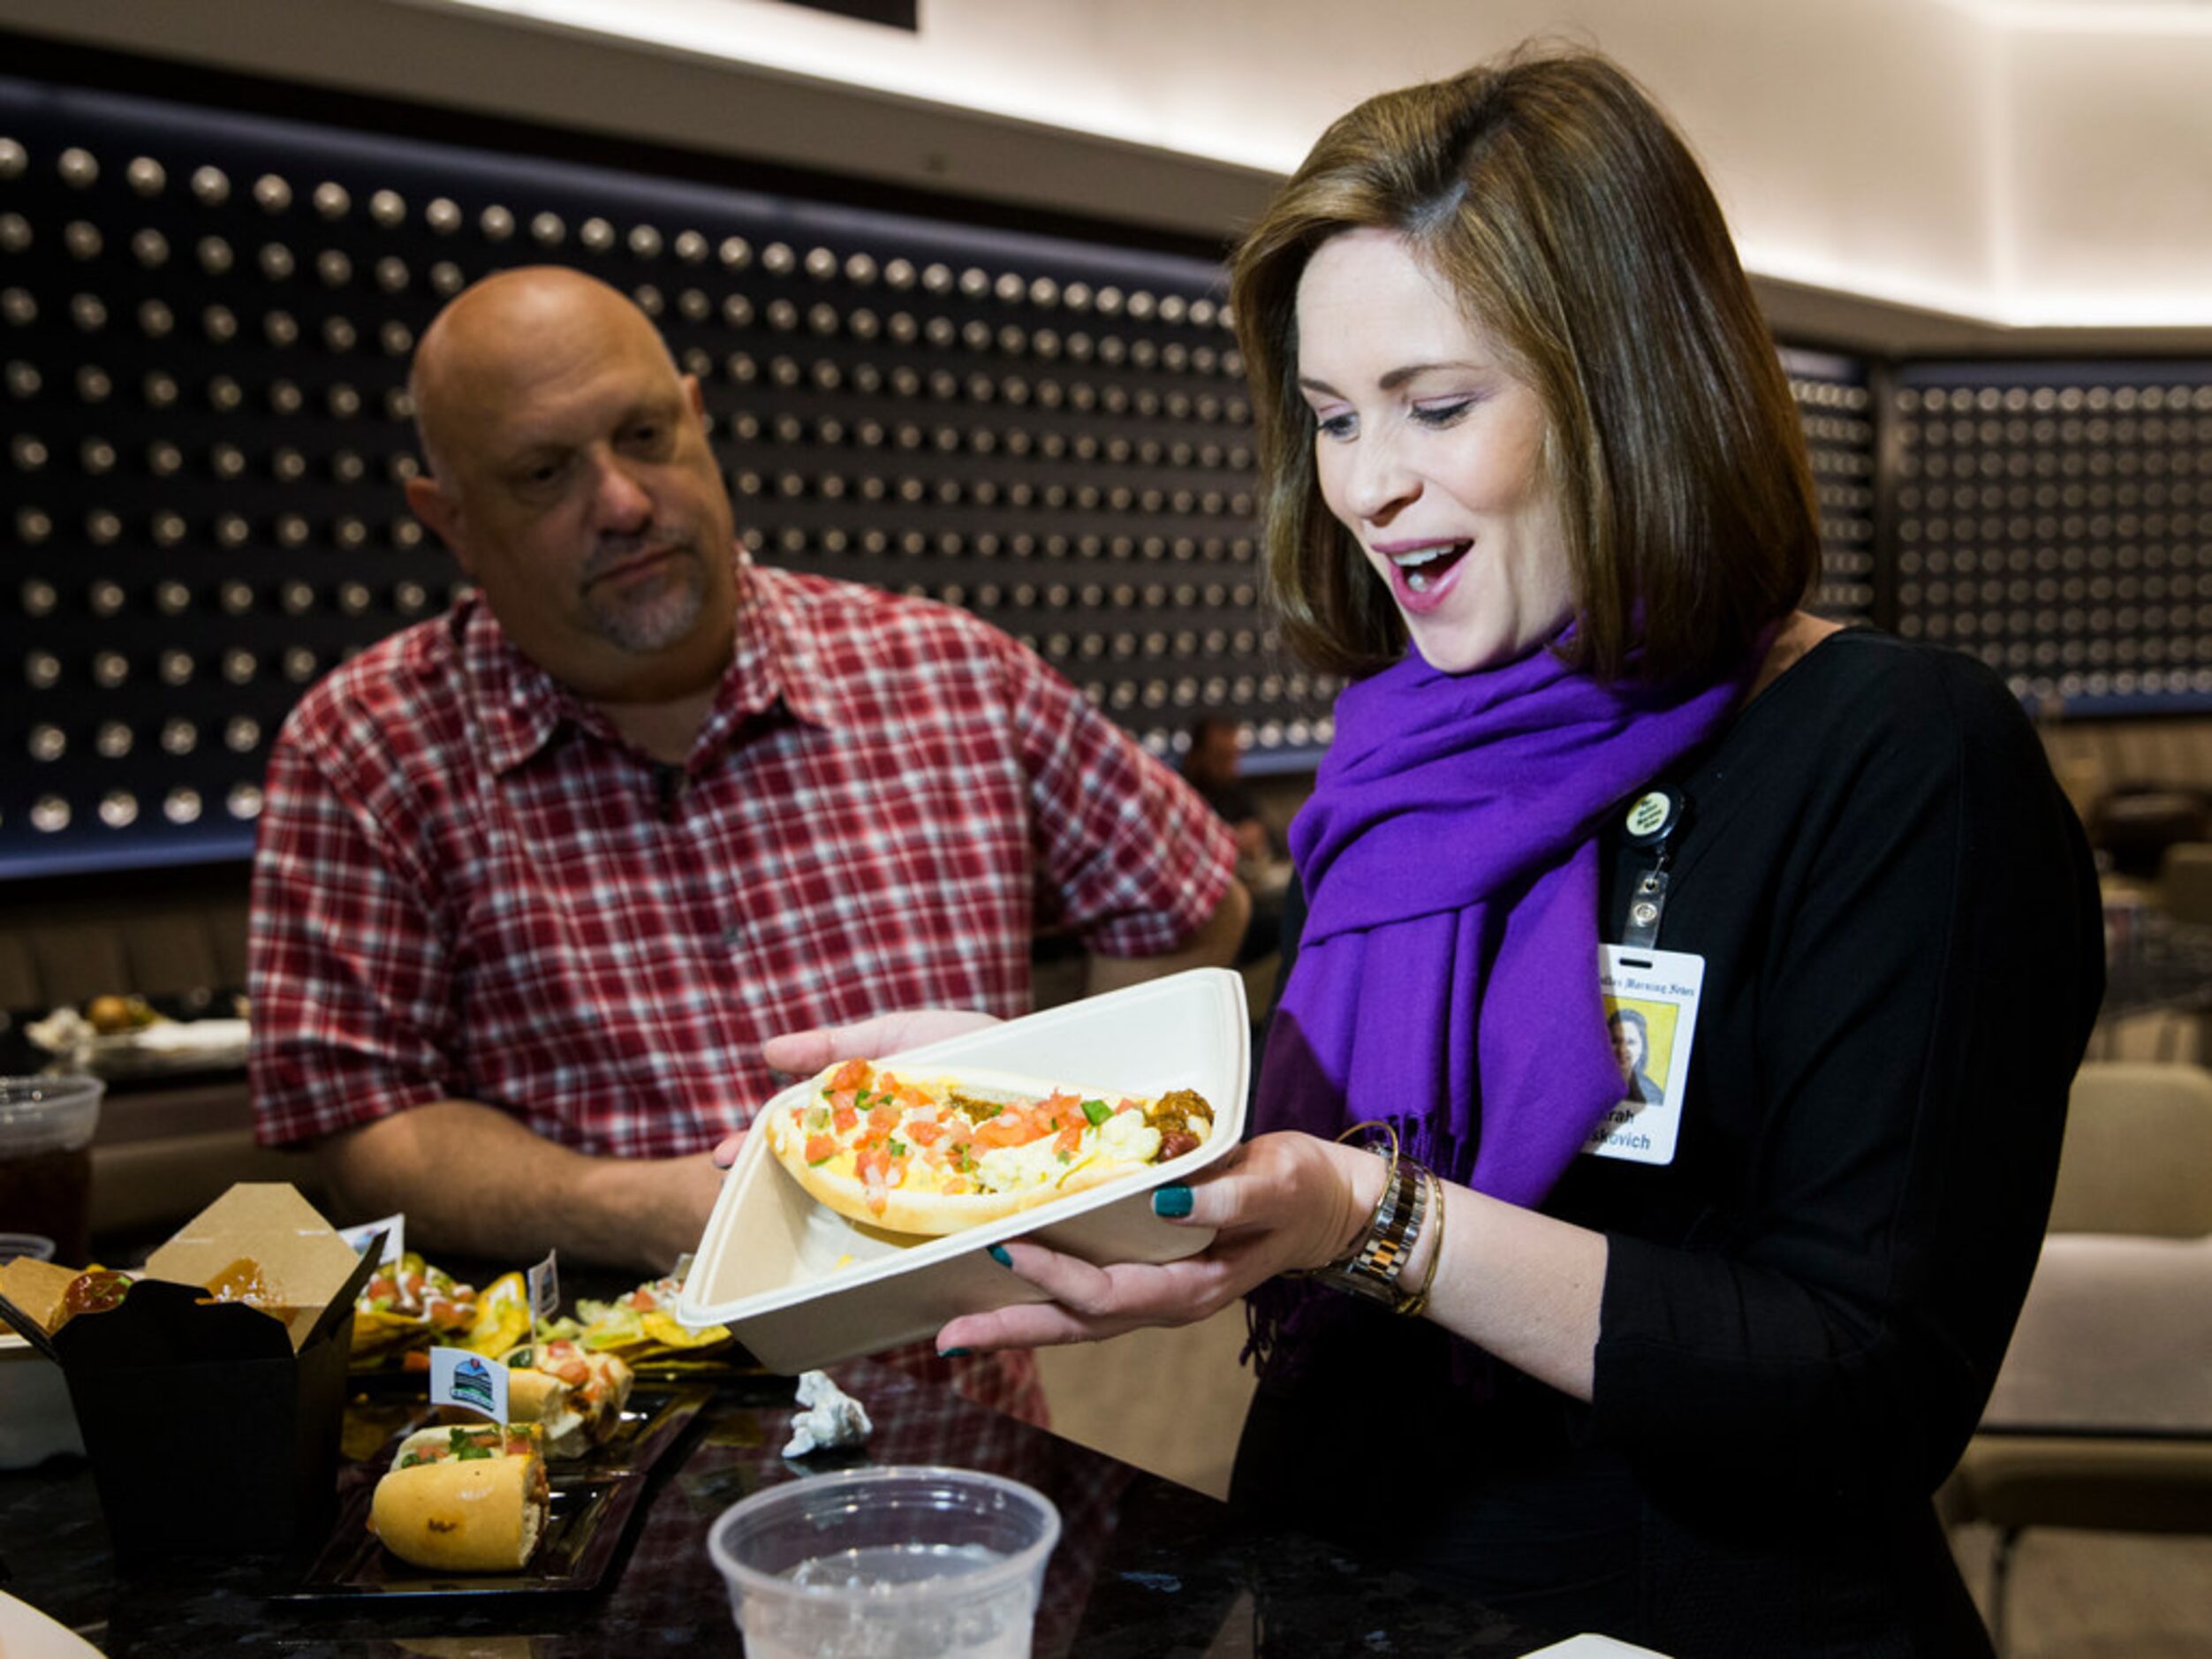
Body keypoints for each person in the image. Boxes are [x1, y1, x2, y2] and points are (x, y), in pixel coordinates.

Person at [897, 49, 2102, 1653]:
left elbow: (1857, 1384)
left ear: (1627, 386)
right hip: (1349, 1583)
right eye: (1329, 418)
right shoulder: (1401, 750)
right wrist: (1015, 1108)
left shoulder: (1896, 754)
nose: (1368, 486)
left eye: (1435, 405)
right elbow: (1289, 1121)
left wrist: (1366, 1219)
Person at [248, 267, 1246, 1420]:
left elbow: (1185, 899)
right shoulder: (363, 745)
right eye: (543, 472)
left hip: (960, 1421)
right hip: (594, 1439)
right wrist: (666, 1204)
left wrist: (1048, 1144)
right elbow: (364, 1124)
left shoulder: (946, 669)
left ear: (699, 418)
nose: (623, 501)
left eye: (644, 434)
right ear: (448, 518)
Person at [1180, 714, 1272, 868]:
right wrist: (1232, 839)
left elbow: (1263, 831)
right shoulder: (1182, 792)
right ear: (1197, 756)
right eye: (1221, 757)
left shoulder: (1234, 787)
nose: (1230, 766)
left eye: (1233, 756)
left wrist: (1257, 834)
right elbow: (1188, 844)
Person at [1606, 1007, 1663, 1106]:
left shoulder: (1653, 1096)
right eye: (1615, 1041)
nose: (1622, 1050)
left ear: (1642, 1047)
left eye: (1631, 1042)